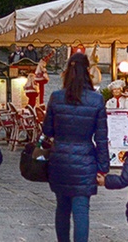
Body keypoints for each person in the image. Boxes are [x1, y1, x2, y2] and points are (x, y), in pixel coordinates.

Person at [42, 52, 109, 242]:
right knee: (81, 211)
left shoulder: (56, 98)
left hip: (60, 159)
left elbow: (48, 130)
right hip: (85, 160)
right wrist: (103, 167)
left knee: (62, 208)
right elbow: (102, 138)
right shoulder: (96, 100)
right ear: (87, 71)